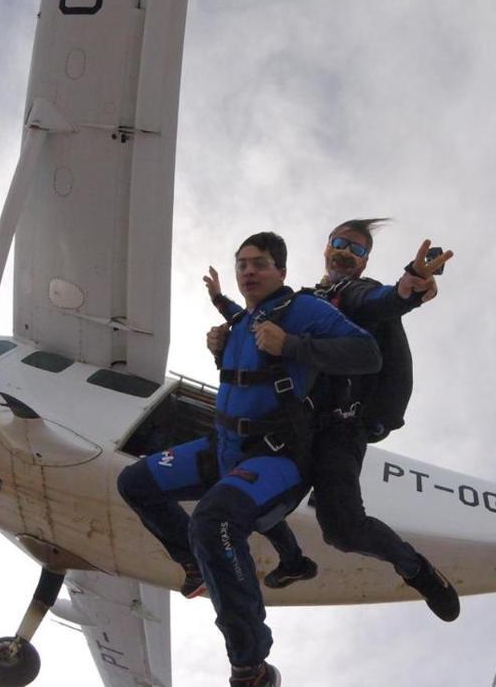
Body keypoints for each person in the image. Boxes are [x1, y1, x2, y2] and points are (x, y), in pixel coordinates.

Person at [118, 232, 381, 687]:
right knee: (135, 483)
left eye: (259, 264)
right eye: (242, 264)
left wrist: (293, 347)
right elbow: (242, 357)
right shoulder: (244, 321)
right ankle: (196, 564)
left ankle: (250, 663)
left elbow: (367, 354)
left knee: (212, 522)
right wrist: (220, 332)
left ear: (281, 270)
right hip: (222, 448)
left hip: (275, 454)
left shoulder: (303, 311)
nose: (248, 272)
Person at [205, 219, 460, 622]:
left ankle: (416, 569)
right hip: (293, 422)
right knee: (239, 480)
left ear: (363, 262)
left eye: (356, 249)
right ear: (325, 247)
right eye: (340, 242)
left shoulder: (352, 293)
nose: (345, 252)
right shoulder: (302, 301)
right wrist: (223, 335)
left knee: (342, 529)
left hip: (340, 427)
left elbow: (383, 300)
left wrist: (409, 288)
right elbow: (257, 338)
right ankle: (292, 560)